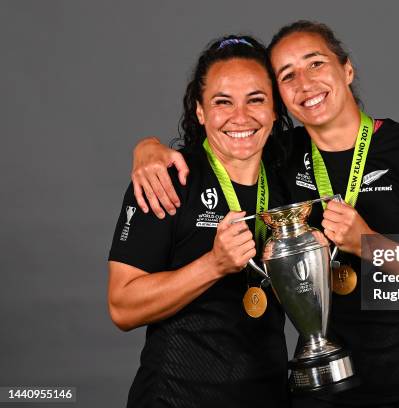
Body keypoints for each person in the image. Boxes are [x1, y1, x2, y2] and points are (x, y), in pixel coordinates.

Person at [129, 21, 399, 407]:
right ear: (279, 101)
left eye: (316, 64)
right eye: (287, 76)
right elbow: (221, 142)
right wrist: (148, 149)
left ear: (348, 69)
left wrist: (368, 244)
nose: (305, 84)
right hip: (313, 390)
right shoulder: (278, 159)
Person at [107, 35, 293, 407]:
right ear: (201, 111)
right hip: (175, 397)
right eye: (223, 102)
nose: (240, 117)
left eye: (255, 99)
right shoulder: (166, 180)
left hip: (270, 396)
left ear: (275, 108)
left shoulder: (293, 180)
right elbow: (122, 306)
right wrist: (214, 265)